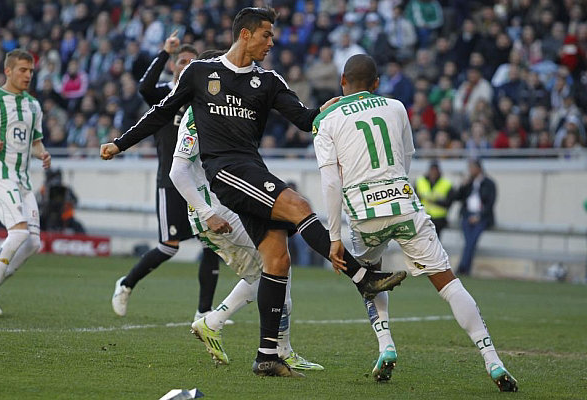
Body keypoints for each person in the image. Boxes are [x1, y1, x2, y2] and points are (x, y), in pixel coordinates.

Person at [101, 7, 406, 378]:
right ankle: (363, 278)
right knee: (298, 204)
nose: (272, 42)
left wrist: (334, 107)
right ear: (245, 35)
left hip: (252, 169)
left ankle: (267, 356)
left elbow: (306, 119)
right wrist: (120, 143)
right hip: (225, 171)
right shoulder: (200, 73)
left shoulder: (270, 81)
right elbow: (162, 112)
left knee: (277, 260)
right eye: (266, 35)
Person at [312, 54, 517, 391]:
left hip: (365, 214)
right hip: (405, 204)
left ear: (342, 83)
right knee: (449, 284)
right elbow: (407, 158)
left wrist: (334, 235)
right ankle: (493, 361)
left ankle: (386, 345)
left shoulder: (327, 120)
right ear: (377, 84)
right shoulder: (395, 107)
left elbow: (331, 183)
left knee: (369, 279)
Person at [168, 93, 322, 371]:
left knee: (272, 268)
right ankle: (276, 348)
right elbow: (177, 171)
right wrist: (207, 212)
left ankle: (216, 324)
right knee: (276, 266)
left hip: (224, 209)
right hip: (217, 212)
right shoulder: (197, 116)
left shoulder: (215, 112)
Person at [107, 32, 221, 321]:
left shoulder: (204, 96)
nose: (185, 66)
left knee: (212, 243)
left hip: (200, 182)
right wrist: (162, 51)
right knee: (169, 246)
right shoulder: (164, 93)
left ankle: (203, 312)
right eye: (181, 61)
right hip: (170, 181)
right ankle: (126, 284)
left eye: (191, 62)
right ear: (173, 66)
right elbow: (143, 87)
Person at [0, 49, 52, 316]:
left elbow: (35, 143)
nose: (28, 75)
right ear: (8, 71)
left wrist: (43, 153)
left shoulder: (33, 105)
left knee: (32, 243)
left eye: (31, 71)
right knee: (18, 232)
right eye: (22, 70)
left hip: (23, 180)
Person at [455, 159, 497, 276]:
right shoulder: (469, 183)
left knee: (471, 241)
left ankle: (463, 267)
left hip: (482, 217)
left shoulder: (489, 183)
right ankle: (464, 269)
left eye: (472, 168)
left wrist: (479, 216)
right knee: (469, 241)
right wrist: (463, 185)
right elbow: (457, 197)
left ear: (479, 168)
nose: (470, 170)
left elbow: (490, 203)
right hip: (467, 215)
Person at [414, 161, 453, 237]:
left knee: (435, 239)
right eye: (432, 170)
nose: (433, 173)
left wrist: (434, 201)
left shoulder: (446, 183)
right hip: (422, 216)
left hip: (439, 218)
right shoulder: (420, 181)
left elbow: (449, 202)